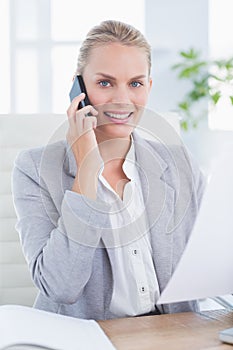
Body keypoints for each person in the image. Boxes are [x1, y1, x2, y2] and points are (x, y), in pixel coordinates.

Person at [12, 20, 205, 320]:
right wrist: (87, 167)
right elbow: (60, 287)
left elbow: (214, 259)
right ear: (79, 88)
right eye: (105, 83)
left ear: (148, 87)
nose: (122, 100)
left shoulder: (179, 163)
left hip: (171, 335)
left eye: (135, 84)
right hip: (86, 338)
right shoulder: (34, 170)